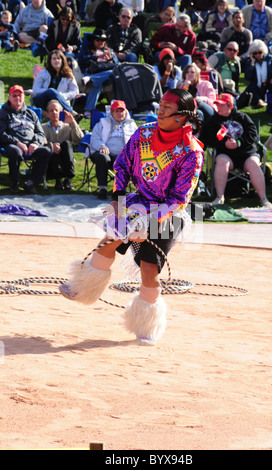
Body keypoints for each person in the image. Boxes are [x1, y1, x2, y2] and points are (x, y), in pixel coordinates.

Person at [59, 88, 204, 346]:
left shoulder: (192, 152)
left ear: (182, 117)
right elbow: (122, 166)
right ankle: (81, 288)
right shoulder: (143, 133)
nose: (160, 110)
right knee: (110, 239)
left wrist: (149, 223)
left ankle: (146, 325)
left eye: (167, 108)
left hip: (167, 214)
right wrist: (118, 201)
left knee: (149, 269)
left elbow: (180, 198)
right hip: (136, 202)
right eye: (160, 105)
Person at [201, 93, 272, 207]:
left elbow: (252, 135)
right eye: (217, 104)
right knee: (222, 162)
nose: (218, 107)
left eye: (222, 105)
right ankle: (219, 197)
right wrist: (224, 144)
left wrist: (239, 143)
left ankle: (264, 199)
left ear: (230, 106)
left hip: (246, 153)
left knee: (254, 164)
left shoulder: (243, 117)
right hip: (225, 154)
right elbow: (209, 139)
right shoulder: (213, 121)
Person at [0, 85, 51, 195]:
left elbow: (41, 133)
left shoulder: (31, 114)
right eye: (14, 96)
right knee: (16, 151)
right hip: (11, 144)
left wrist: (36, 143)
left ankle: (30, 183)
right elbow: (1, 133)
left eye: (20, 95)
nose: (18, 98)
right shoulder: (3, 113)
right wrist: (17, 143)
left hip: (31, 145)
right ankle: (14, 184)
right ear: (9, 97)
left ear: (24, 97)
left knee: (45, 152)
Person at [89, 100, 137, 199]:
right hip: (106, 153)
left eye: (121, 111)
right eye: (116, 111)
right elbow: (95, 138)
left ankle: (119, 191)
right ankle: (103, 188)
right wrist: (102, 146)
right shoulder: (103, 123)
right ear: (111, 113)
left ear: (126, 112)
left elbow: (137, 142)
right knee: (102, 157)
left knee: (124, 161)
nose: (119, 113)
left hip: (123, 155)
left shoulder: (132, 125)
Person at [42, 100, 84, 190]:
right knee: (54, 149)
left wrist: (73, 123)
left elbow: (79, 139)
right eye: (51, 110)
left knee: (66, 143)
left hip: (66, 160)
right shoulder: (43, 128)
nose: (54, 113)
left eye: (56, 110)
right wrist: (52, 145)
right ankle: (58, 179)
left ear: (60, 112)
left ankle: (68, 178)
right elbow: (41, 142)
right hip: (51, 162)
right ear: (48, 114)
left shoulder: (68, 126)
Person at [32, 49, 82, 121]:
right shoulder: (43, 73)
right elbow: (35, 89)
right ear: (50, 61)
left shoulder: (68, 74)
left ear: (62, 60)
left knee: (53, 92)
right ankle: (73, 113)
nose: (56, 61)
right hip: (41, 100)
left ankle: (68, 115)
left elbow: (75, 91)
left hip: (60, 102)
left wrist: (62, 95)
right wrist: (49, 92)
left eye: (58, 58)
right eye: (54, 59)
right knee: (51, 91)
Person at [78, 30, 116, 119]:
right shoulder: (87, 49)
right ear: (93, 40)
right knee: (97, 84)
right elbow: (81, 60)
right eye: (97, 40)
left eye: (102, 40)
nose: (100, 42)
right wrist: (97, 57)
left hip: (106, 74)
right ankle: (88, 110)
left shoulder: (109, 50)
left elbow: (117, 65)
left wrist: (111, 59)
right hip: (92, 71)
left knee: (113, 72)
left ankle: (91, 79)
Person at [244, 39, 272, 108]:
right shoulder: (250, 62)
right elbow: (248, 77)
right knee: (251, 88)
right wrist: (252, 63)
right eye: (255, 53)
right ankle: (259, 101)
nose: (258, 55)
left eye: (260, 52)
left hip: (268, 84)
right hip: (257, 86)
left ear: (263, 51)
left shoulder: (269, 58)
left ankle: (261, 101)